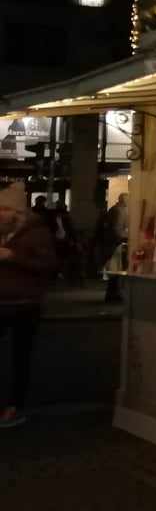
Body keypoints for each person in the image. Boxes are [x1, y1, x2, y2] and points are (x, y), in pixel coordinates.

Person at [0, 181, 59, 429]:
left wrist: (14, 257)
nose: (1, 214)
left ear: (18, 212)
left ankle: (15, 406)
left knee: (20, 357)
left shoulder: (37, 233)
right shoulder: (3, 231)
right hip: (2, 302)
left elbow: (48, 266)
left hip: (26, 304)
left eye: (4, 210)